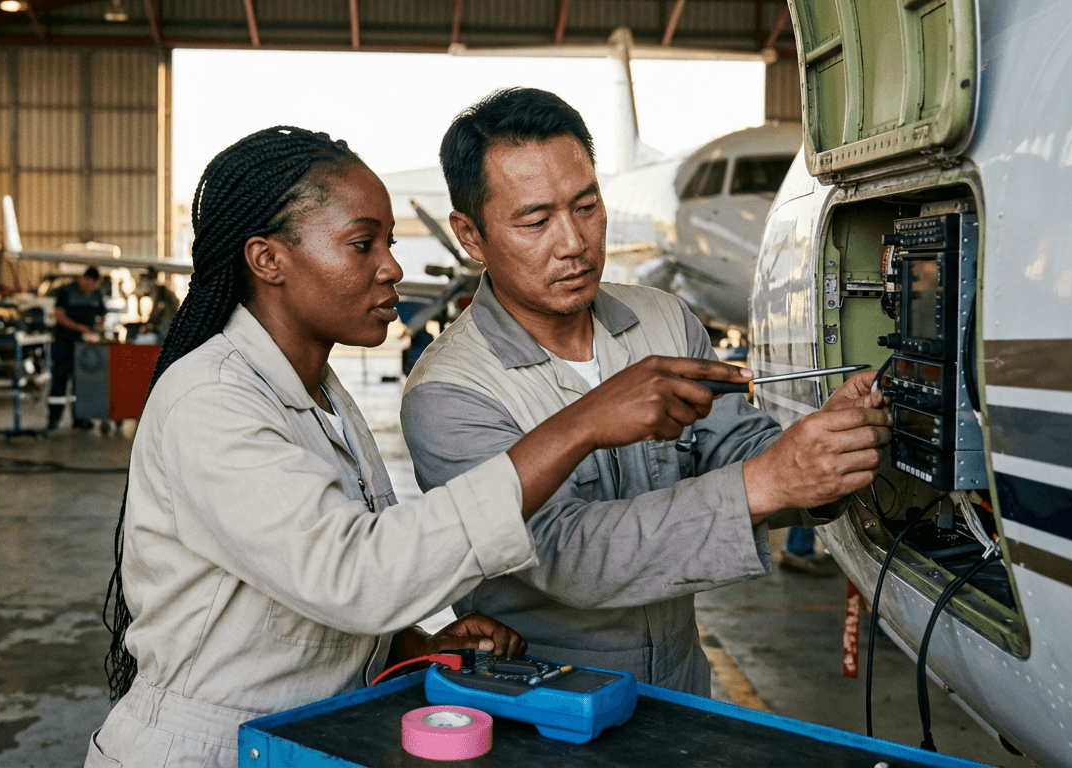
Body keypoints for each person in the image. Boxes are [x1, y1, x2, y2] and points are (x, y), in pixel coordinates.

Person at [88, 126, 751, 768]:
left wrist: (412, 645)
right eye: (361, 245)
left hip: (303, 733)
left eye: (390, 241)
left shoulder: (321, 397)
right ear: (268, 259)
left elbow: (291, 594)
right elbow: (354, 576)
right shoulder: (212, 401)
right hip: (209, 748)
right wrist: (580, 425)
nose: (392, 267)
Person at [401, 88, 890, 695]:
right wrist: (770, 481)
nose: (574, 242)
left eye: (586, 206)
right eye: (535, 221)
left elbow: (737, 445)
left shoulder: (665, 321)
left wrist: (819, 458)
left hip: (679, 692)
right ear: (470, 237)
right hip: (544, 707)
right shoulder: (449, 394)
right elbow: (564, 554)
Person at [48, 267, 107, 429]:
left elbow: (102, 315)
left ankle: (81, 418)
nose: (89, 286)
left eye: (93, 284)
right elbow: (59, 316)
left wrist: (97, 329)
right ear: (82, 279)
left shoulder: (97, 295)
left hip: (85, 347)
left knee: (82, 382)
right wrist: (79, 328)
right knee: (59, 380)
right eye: (87, 282)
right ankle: (54, 418)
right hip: (64, 343)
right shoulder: (67, 292)